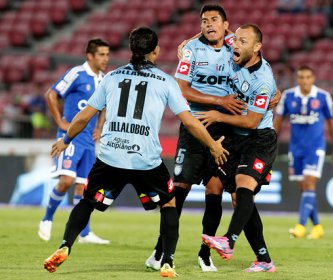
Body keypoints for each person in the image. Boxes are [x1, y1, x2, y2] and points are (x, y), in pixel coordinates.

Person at [43, 27, 229, 278]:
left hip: (110, 156)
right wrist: (213, 145)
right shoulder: (165, 81)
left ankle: (65, 245)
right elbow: (191, 122)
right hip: (146, 160)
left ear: (131, 50)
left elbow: (84, 116)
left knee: (87, 200)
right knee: (169, 203)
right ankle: (167, 261)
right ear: (156, 50)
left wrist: (66, 139)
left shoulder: (111, 77)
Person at [145, 4, 245, 273]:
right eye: (203, 21)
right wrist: (217, 100)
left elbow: (255, 50)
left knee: (215, 189)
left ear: (226, 25)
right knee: (180, 189)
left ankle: (205, 253)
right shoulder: (191, 50)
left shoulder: (235, 44)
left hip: (223, 129)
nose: (208, 24)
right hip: (194, 126)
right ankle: (161, 250)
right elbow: (181, 89)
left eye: (214, 20)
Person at [198, 24, 278, 273]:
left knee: (243, 185)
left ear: (257, 48)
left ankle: (229, 240)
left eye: (243, 41)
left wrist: (218, 116)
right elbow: (215, 28)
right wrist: (186, 44)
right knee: (232, 194)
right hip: (236, 138)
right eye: (236, 39)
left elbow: (252, 121)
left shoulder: (262, 80)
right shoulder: (236, 50)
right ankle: (264, 260)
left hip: (259, 137)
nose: (235, 44)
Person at [38, 38, 110, 244]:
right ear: (90, 56)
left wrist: (99, 127)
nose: (106, 58)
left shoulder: (104, 79)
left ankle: (85, 233)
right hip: (70, 139)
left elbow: (104, 106)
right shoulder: (76, 74)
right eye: (101, 54)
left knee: (83, 188)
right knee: (66, 181)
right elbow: (51, 94)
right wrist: (60, 121)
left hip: (89, 141)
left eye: (107, 54)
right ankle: (47, 218)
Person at [274, 65, 333, 239]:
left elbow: (332, 124)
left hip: (315, 147)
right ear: (297, 79)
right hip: (295, 148)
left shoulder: (323, 97)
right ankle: (317, 226)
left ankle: (301, 226)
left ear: (313, 78)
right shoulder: (288, 96)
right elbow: (278, 122)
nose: (304, 80)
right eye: (301, 77)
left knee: (309, 182)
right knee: (303, 187)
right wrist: (270, 144)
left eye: (307, 77)